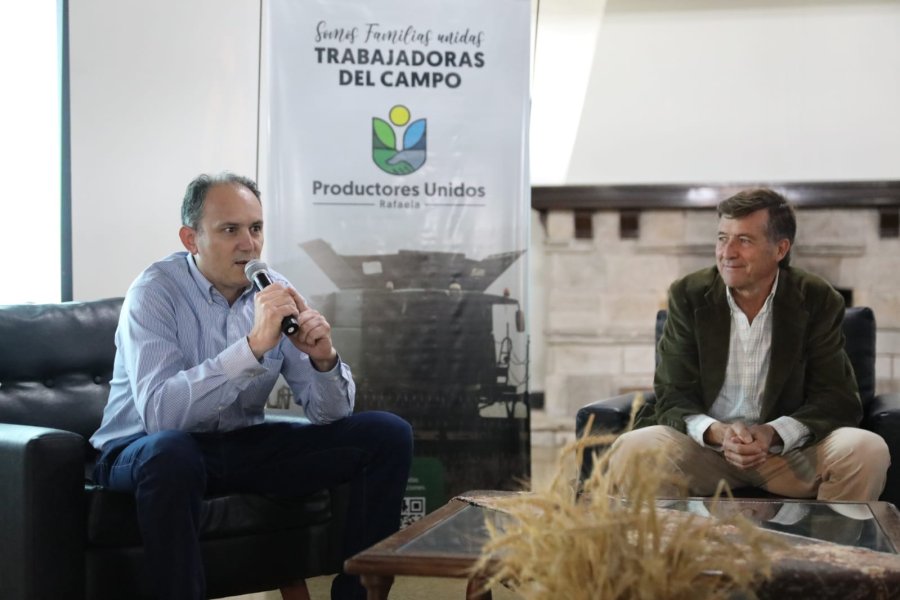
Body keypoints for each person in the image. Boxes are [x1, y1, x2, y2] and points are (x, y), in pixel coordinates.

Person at [90, 172, 413, 600]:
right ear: (191, 239)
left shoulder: (275, 290)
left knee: (387, 434)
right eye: (230, 230)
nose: (249, 244)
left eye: (255, 228)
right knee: (173, 452)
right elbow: (161, 416)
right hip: (140, 450)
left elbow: (331, 416)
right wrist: (252, 347)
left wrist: (323, 359)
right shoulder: (154, 293)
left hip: (237, 446)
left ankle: (358, 595)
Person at [610, 188, 889, 501]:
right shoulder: (688, 294)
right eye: (721, 238)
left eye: (744, 240)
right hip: (707, 451)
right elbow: (673, 394)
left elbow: (836, 398)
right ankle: (672, 551)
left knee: (867, 450)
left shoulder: (816, 298)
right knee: (636, 448)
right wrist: (719, 434)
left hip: (790, 454)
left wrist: (773, 434)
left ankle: (833, 551)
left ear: (780, 248)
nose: (727, 252)